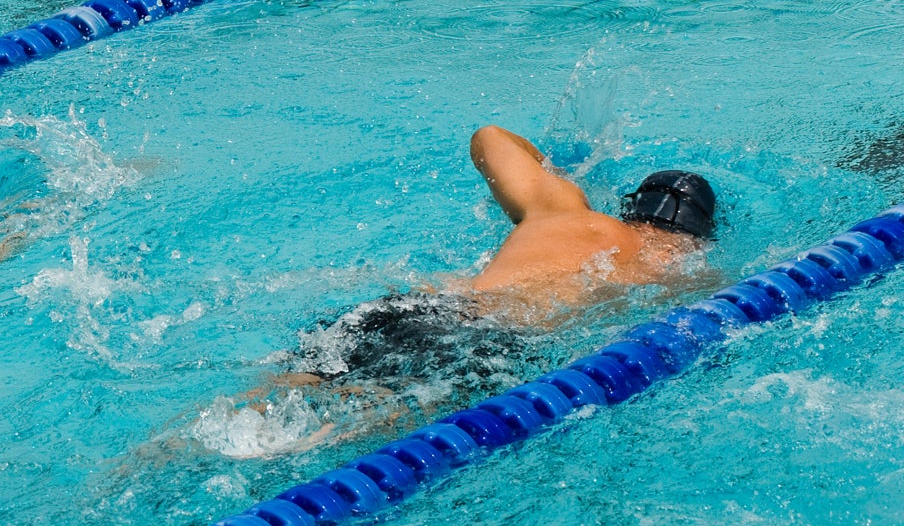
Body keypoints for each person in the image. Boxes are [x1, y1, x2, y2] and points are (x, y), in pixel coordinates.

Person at [266, 125, 716, 428]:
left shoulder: (560, 209)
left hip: (413, 308)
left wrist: (556, 174)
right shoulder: (681, 275)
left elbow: (488, 136)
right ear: (697, 237)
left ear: (628, 207)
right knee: (341, 429)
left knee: (273, 398)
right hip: (481, 340)